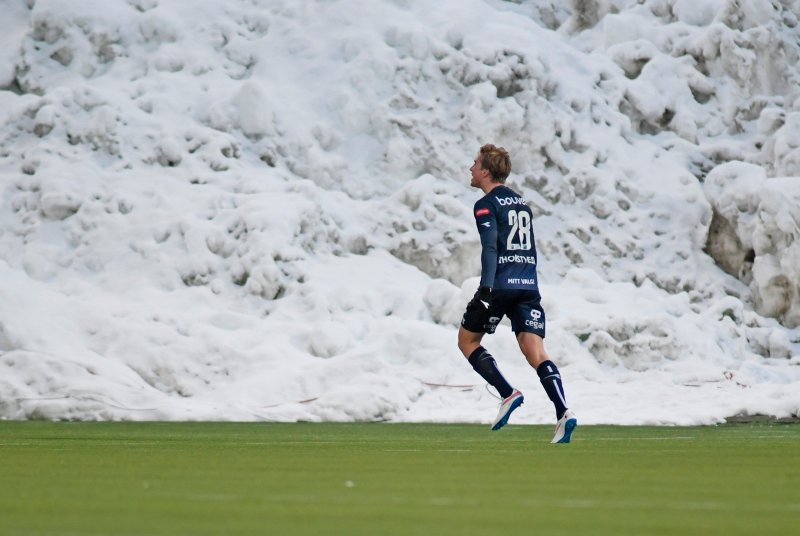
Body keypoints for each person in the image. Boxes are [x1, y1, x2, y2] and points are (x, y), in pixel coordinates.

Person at [458, 144, 577, 444]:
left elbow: (490, 248)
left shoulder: (485, 204)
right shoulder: (522, 204)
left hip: (499, 285)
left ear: (486, 171)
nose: (471, 168)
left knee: (467, 340)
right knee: (535, 351)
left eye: (475, 163)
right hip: (528, 285)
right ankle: (563, 412)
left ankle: (507, 392)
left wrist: (486, 289)